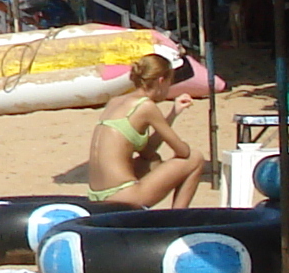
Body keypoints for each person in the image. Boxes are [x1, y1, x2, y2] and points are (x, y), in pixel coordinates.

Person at [85, 49, 206, 208]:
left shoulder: (115, 101)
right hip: (123, 195)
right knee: (195, 158)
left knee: (152, 160)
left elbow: (147, 152)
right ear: (161, 81)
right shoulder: (145, 106)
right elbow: (183, 152)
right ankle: (177, 220)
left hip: (97, 195)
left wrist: (173, 114)